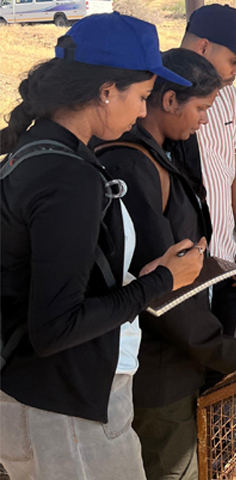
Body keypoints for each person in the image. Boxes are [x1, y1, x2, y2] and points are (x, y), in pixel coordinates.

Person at [0, 13, 205, 480]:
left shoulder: (42, 148)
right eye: (141, 97)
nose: (140, 112)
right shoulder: (68, 176)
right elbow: (55, 327)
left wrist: (139, 276)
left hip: (44, 401)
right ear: (106, 90)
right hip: (65, 415)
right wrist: (160, 282)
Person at [93, 48, 236, 480]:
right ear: (168, 101)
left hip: (172, 354)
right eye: (202, 109)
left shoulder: (154, 155)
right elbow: (163, 286)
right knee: (171, 464)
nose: (205, 121)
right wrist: (223, 349)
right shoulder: (132, 165)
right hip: (157, 365)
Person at [179, 4, 236, 341]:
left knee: (221, 355)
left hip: (226, 256)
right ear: (203, 47)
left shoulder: (231, 98)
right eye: (234, 60)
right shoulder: (159, 98)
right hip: (184, 266)